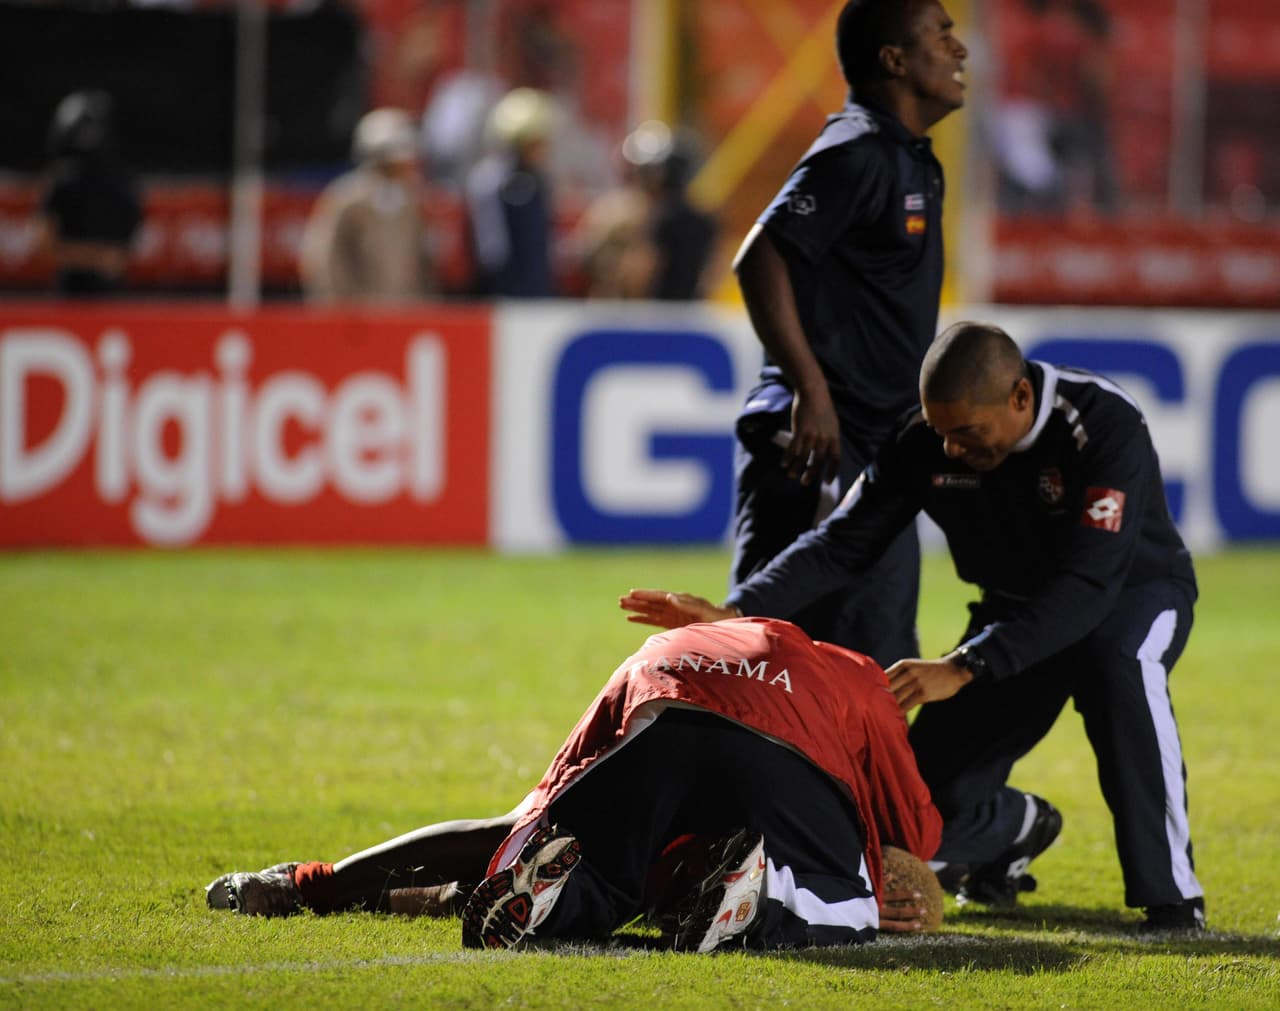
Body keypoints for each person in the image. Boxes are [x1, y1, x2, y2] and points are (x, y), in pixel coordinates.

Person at [621, 322, 1206, 932]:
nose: (951, 449)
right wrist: (738, 609)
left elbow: (1089, 585)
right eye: (940, 431)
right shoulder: (921, 439)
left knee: (1120, 668)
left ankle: (1173, 899)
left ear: (1020, 399)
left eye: (967, 433)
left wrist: (966, 666)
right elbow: (841, 543)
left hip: (1132, 595)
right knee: (917, 811)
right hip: (1013, 612)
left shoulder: (1103, 421)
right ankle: (1019, 827)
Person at [206, 617, 944, 950]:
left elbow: (528, 813)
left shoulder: (669, 643)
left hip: (663, 705)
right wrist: (899, 873)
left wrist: (318, 880)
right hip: (784, 755)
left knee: (574, 854)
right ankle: (758, 895)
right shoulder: (854, 673)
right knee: (859, 903)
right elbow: (916, 832)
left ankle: (299, 883)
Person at [728, 0, 967, 669]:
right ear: (894, 59)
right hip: (825, 448)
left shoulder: (910, 159)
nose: (960, 49)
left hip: (878, 450)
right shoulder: (856, 152)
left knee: (875, 666)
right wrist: (811, 391)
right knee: (765, 655)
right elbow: (761, 255)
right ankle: (705, 771)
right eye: (941, 35)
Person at [297, 108, 437, 304]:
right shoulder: (347, 199)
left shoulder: (410, 202)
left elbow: (422, 264)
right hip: (359, 318)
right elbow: (325, 260)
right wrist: (339, 306)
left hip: (403, 317)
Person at [36, 90, 142, 298]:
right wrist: (97, 257)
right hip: (71, 295)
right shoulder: (61, 182)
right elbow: (44, 245)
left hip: (110, 296)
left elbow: (126, 250)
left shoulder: (123, 183)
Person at [464, 87, 557, 297]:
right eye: (537, 143)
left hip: (538, 293)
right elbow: (492, 252)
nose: (544, 148)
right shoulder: (490, 182)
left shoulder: (538, 181)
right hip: (507, 295)